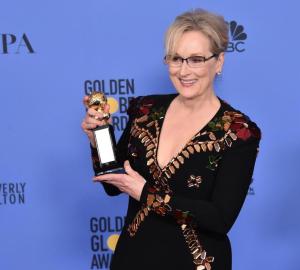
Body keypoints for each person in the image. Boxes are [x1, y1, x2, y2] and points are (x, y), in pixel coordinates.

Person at [81, 8, 261, 270]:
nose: (184, 71)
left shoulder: (238, 131)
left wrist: (145, 193)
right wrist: (98, 136)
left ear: (219, 62)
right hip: (133, 259)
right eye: (176, 59)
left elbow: (220, 218)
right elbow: (113, 182)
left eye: (196, 59)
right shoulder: (145, 111)